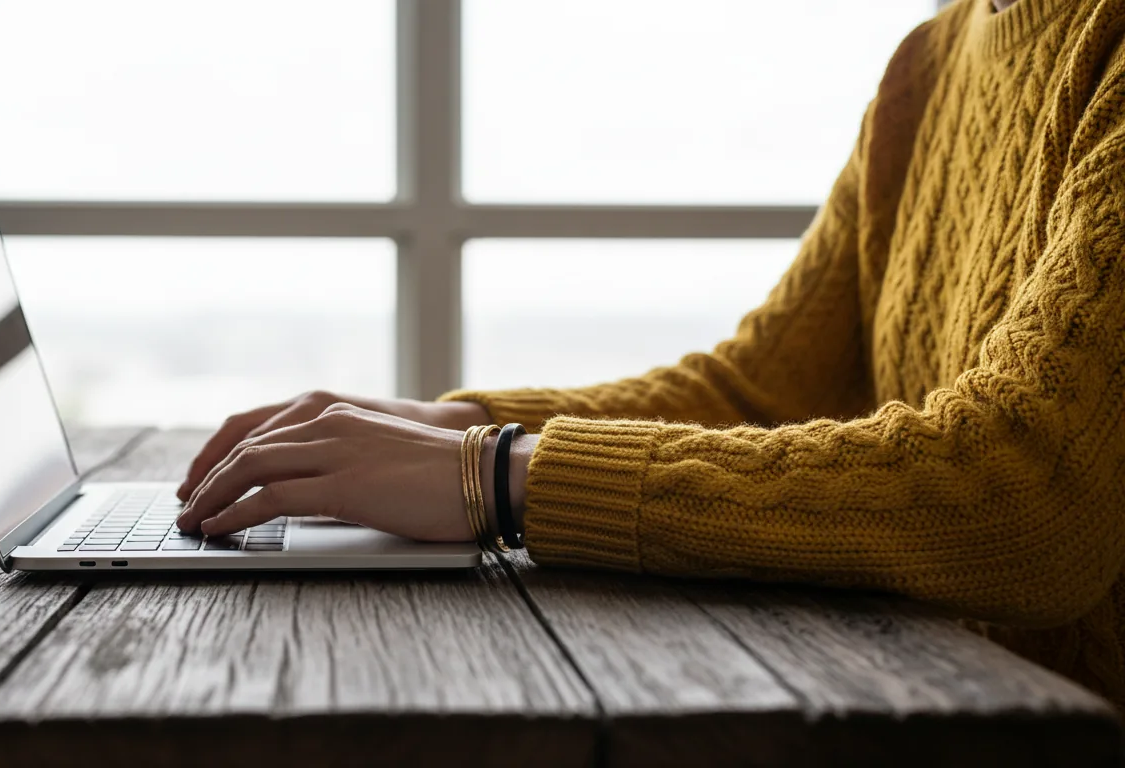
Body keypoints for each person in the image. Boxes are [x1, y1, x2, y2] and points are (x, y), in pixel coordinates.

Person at [177, 0, 1125, 708]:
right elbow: (756, 393)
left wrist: (498, 475)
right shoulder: (931, 63)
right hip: (928, 706)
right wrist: (455, 426)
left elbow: (1025, 491)